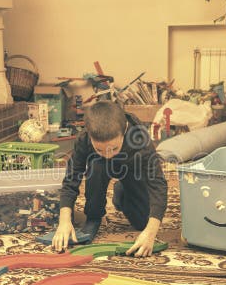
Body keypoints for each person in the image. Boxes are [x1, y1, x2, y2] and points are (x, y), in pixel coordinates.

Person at [52, 101, 167, 257]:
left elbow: (157, 184)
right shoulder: (84, 138)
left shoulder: (139, 138)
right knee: (98, 165)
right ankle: (94, 217)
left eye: (114, 148)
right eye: (99, 148)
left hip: (132, 171)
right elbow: (71, 178)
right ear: (89, 134)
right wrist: (64, 221)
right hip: (99, 168)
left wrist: (151, 231)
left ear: (124, 131)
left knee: (141, 223)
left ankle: (121, 192)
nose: (108, 154)